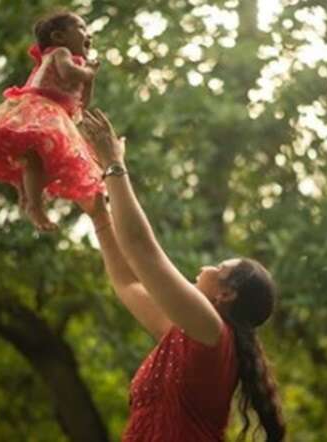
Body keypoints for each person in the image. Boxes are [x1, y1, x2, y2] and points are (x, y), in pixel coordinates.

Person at [78, 109, 286, 441]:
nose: (205, 268)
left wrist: (112, 162)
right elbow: (127, 283)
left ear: (226, 294)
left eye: (219, 268)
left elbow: (141, 249)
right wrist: (99, 216)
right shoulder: (193, 334)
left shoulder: (211, 329)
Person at [0, 9, 103, 231]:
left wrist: (89, 79)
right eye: (81, 28)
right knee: (34, 157)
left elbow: (82, 103)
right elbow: (68, 74)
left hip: (57, 114)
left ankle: (27, 196)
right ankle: (35, 205)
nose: (89, 34)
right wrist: (88, 74)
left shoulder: (80, 66)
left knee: (35, 161)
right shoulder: (60, 53)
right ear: (59, 37)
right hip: (39, 108)